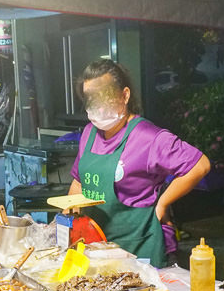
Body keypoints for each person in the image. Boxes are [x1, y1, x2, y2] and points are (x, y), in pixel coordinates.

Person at [66, 60, 211, 267]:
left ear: (125, 95)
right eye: (91, 98)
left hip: (139, 250)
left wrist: (163, 203)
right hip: (97, 249)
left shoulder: (148, 137)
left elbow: (200, 165)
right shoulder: (89, 133)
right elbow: (79, 182)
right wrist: (67, 219)